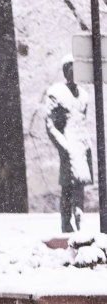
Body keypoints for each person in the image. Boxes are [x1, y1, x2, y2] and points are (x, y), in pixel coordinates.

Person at [45, 55, 93, 232]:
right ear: (65, 72)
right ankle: (66, 223)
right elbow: (50, 125)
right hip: (68, 145)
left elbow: (82, 120)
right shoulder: (56, 94)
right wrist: (63, 146)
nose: (73, 73)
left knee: (80, 187)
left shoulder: (84, 96)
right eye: (69, 69)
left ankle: (80, 221)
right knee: (67, 187)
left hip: (82, 144)